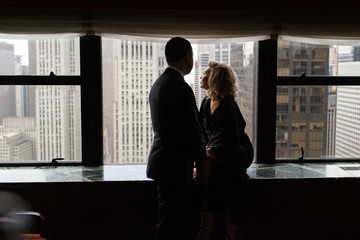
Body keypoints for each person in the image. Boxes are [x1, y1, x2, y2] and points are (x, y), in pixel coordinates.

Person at [147, 37, 207, 240]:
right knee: (172, 225)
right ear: (187, 56)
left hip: (163, 162)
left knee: (168, 221)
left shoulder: (158, 84)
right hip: (174, 167)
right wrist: (202, 160)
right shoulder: (180, 87)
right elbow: (193, 130)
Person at [195, 61, 254, 240]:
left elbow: (226, 142)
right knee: (216, 177)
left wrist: (207, 152)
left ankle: (207, 226)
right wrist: (206, 150)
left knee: (214, 174)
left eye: (205, 73)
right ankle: (228, 229)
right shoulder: (206, 101)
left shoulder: (229, 106)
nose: (201, 76)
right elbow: (201, 132)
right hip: (216, 151)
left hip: (235, 153)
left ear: (214, 79)